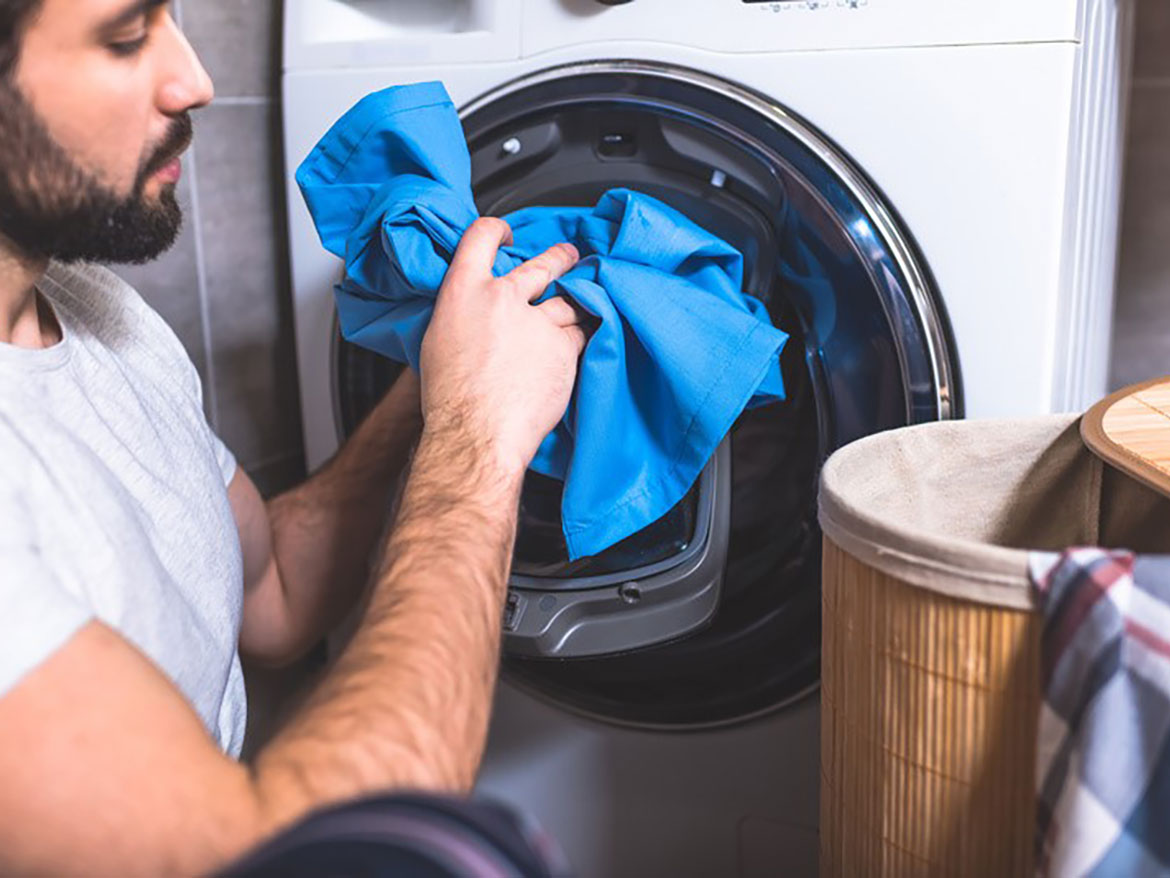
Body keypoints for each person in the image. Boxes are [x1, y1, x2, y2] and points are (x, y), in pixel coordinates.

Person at [0, 0, 587, 873]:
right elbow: (330, 857)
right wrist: (480, 440)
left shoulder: (95, 310)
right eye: (126, 37)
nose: (194, 81)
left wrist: (434, 385)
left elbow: (269, 593)